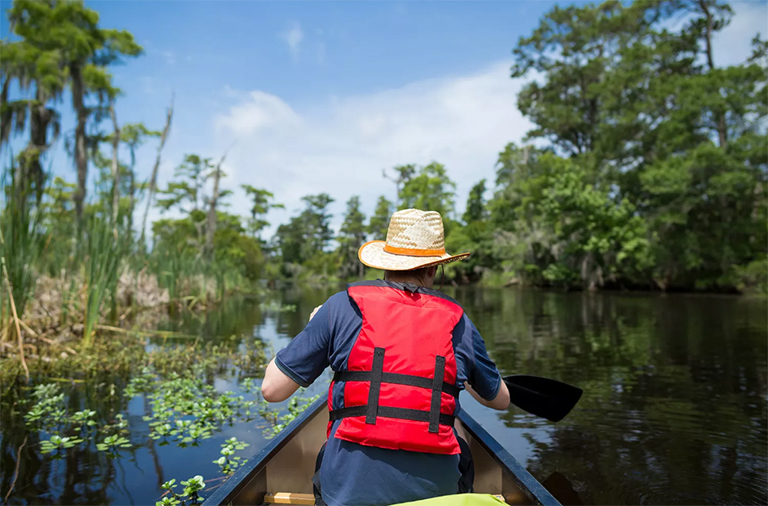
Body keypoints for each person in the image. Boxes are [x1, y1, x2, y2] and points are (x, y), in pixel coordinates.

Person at [262, 208, 510, 506]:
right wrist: (464, 372)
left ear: (385, 265)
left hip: (346, 495)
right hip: (434, 497)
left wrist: (315, 324)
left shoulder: (340, 307)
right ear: (434, 269)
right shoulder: (459, 323)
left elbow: (272, 390)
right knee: (464, 457)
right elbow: (500, 399)